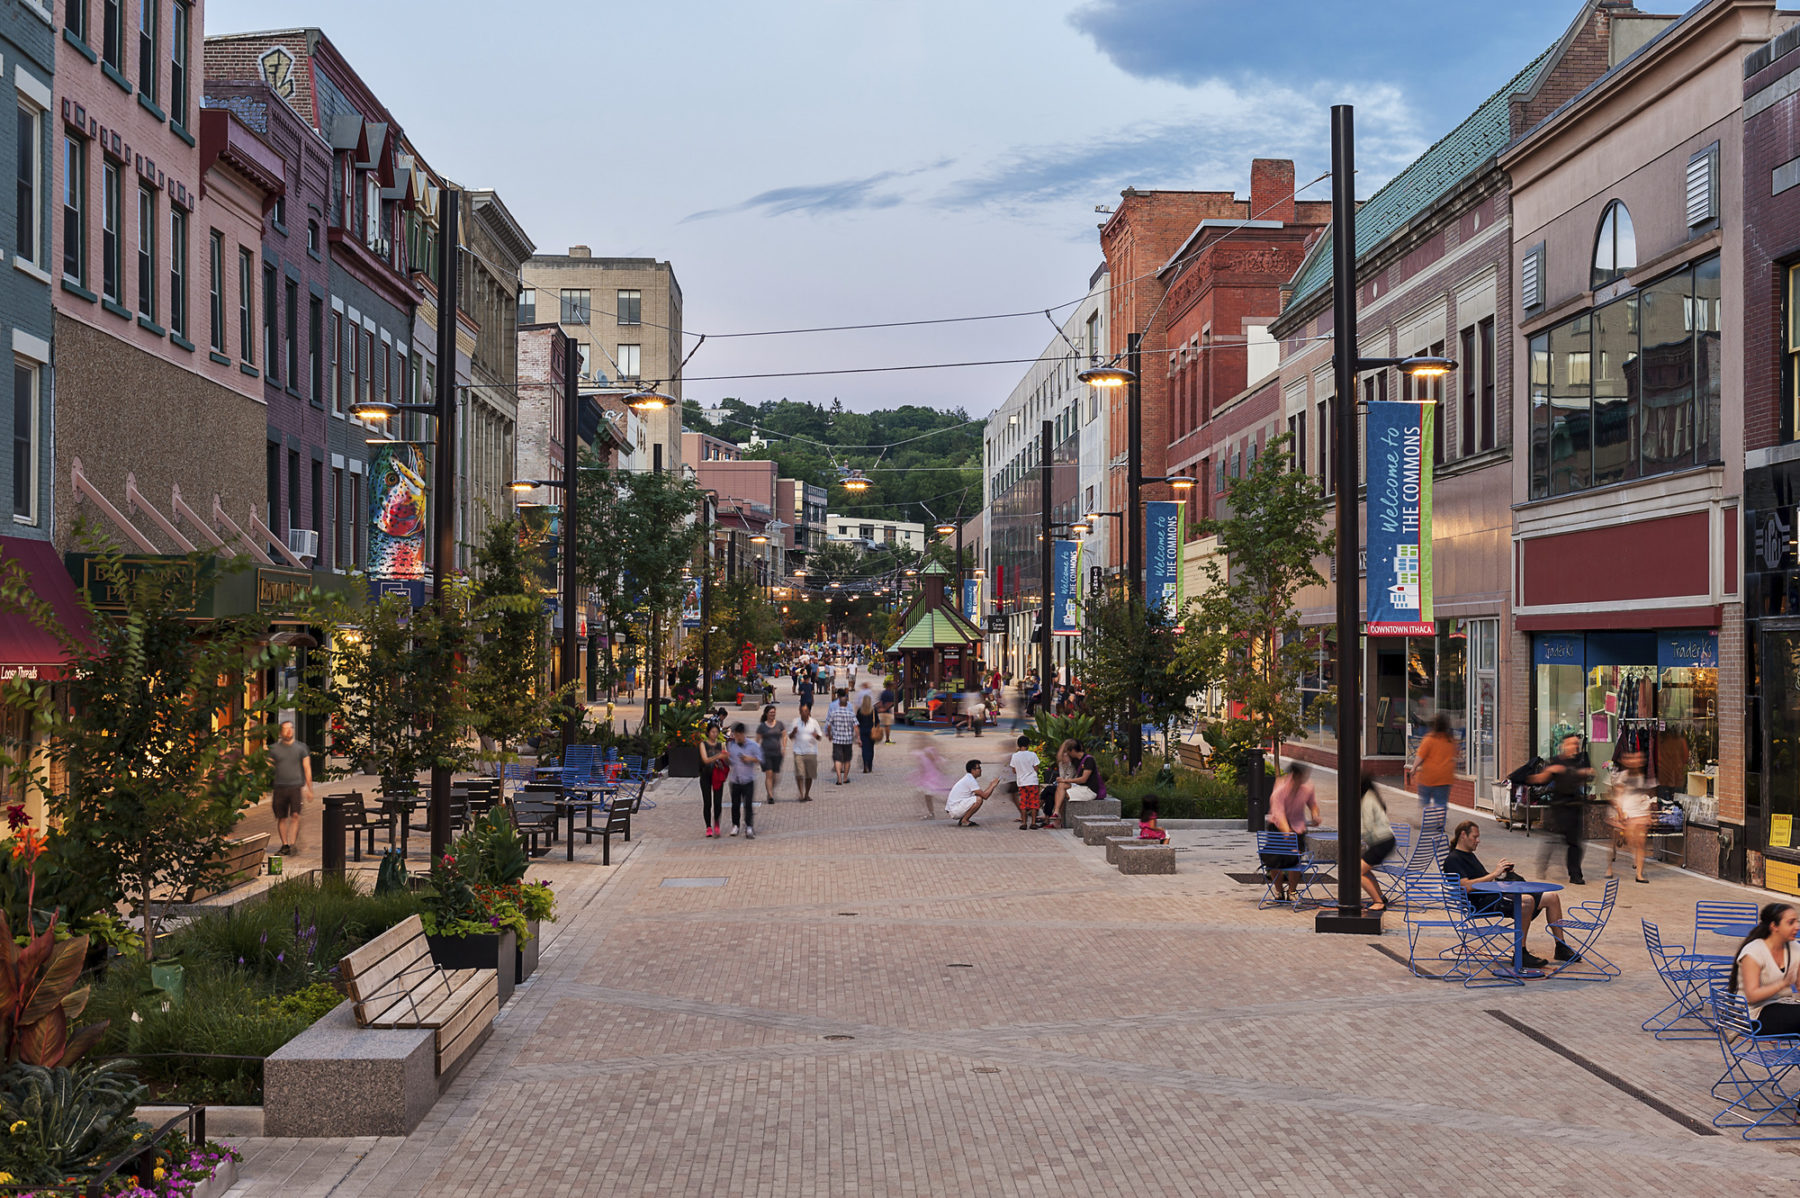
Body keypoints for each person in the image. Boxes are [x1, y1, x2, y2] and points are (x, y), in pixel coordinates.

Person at [1441, 821, 1575, 967]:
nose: (1478, 840)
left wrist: (1502, 875)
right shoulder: (1453, 859)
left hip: (1495, 895)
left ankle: (1561, 947)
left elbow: (1484, 879)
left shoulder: (1469, 855)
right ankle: (1520, 952)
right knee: (1527, 900)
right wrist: (1494, 873)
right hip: (1483, 903)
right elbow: (1466, 887)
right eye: (1475, 837)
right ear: (1463, 835)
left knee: (1552, 897)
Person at [1530, 732, 1593, 886]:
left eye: (1576, 744)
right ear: (1564, 746)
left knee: (1575, 843)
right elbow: (1542, 779)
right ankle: (1543, 863)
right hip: (1559, 806)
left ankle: (1575, 874)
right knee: (1554, 839)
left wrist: (1587, 773)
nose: (1574, 747)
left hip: (1575, 805)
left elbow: (1590, 775)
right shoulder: (1556, 761)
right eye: (1571, 744)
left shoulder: (1581, 760)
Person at [1729, 903, 1800, 1035]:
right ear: (1774, 926)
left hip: (1783, 1005)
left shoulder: (1795, 948)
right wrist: (1782, 984)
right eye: (1791, 923)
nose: (1797, 926)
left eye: (1797, 921)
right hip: (1753, 1015)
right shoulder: (1753, 952)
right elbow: (1752, 996)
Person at [1261, 762, 1319, 902]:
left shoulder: (1307, 787)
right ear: (1293, 776)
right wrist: (1286, 831)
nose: (1303, 780)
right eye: (1300, 777)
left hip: (1298, 827)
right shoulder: (1280, 788)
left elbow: (1312, 804)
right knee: (1274, 861)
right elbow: (1278, 812)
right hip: (1278, 827)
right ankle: (1279, 891)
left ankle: (1292, 891)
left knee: (1295, 860)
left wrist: (1315, 815)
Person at [1606, 747, 1655, 885]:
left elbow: (1646, 796)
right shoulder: (1622, 777)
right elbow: (1617, 797)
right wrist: (1620, 813)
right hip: (1626, 814)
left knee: (1640, 844)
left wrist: (1648, 813)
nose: (1636, 761)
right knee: (1617, 842)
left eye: (1639, 759)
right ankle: (1609, 867)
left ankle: (1639, 874)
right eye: (1633, 758)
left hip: (1639, 813)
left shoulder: (1643, 777)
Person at [269, 720, 313, 856]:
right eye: (285, 729)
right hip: (279, 787)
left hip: (295, 787)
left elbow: (307, 768)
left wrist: (309, 788)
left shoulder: (301, 748)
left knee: (295, 815)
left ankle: (293, 844)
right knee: (281, 817)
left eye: (290, 728)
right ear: (280, 732)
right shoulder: (274, 749)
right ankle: (285, 845)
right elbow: (268, 767)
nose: (288, 731)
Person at [1047, 739, 1103, 829]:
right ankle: (1056, 813)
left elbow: (1083, 779)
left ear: (1072, 751)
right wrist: (1066, 743)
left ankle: (1057, 820)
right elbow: (1060, 757)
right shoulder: (1076, 760)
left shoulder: (1089, 760)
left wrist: (1066, 781)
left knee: (1061, 794)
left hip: (1089, 790)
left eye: (1068, 752)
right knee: (1060, 786)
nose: (1067, 754)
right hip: (1080, 787)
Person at [1359, 777, 1396, 912]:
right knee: (1364, 869)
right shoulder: (1371, 795)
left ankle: (1378, 902)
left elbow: (1366, 825)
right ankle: (1380, 897)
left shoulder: (1367, 799)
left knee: (1356, 872)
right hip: (1384, 841)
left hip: (1382, 841)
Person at [1409, 713, 1457, 809]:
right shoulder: (1450, 741)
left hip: (1428, 777)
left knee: (1424, 802)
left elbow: (1420, 757)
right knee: (1441, 803)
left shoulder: (1429, 739)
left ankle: (1424, 819)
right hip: (1445, 778)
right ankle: (1440, 821)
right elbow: (1455, 756)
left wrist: (1413, 768)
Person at [725, 723, 763, 839]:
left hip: (748, 779)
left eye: (738, 735)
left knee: (748, 804)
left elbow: (760, 759)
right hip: (735, 779)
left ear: (742, 734)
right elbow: (730, 762)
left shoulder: (753, 745)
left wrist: (749, 759)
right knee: (735, 804)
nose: (737, 737)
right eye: (735, 735)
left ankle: (749, 826)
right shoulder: (732, 745)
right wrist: (726, 758)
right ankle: (735, 825)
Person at [698, 721, 728, 837]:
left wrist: (725, 759)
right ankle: (708, 826)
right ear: (708, 732)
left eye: (716, 732)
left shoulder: (721, 745)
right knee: (707, 802)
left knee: (717, 801)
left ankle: (716, 823)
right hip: (705, 775)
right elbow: (705, 760)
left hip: (717, 775)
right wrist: (717, 756)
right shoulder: (703, 744)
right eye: (712, 732)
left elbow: (725, 760)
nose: (715, 734)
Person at [946, 759, 997, 826]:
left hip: (954, 809)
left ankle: (964, 819)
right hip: (955, 810)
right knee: (978, 800)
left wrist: (991, 785)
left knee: (978, 798)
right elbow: (985, 796)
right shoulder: (970, 780)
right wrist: (992, 785)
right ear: (972, 770)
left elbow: (982, 794)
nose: (981, 770)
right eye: (978, 768)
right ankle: (964, 820)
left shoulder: (968, 778)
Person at [789, 702, 823, 802]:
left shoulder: (814, 722)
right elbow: (790, 737)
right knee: (799, 773)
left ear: (809, 712)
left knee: (809, 775)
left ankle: (807, 793)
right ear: (799, 712)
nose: (803, 713)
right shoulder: (795, 722)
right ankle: (800, 793)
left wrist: (816, 736)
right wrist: (793, 732)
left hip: (811, 751)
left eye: (805, 711)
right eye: (802, 711)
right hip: (798, 751)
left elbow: (820, 737)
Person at [913, 739, 951, 820]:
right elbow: (924, 765)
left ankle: (948, 806)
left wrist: (939, 771)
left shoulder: (927, 751)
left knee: (932, 796)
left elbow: (933, 761)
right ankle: (931, 812)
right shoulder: (922, 752)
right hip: (927, 778)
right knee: (928, 796)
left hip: (931, 778)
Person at [1010, 735, 1042, 829]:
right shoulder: (1033, 755)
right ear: (1028, 744)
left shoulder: (1015, 756)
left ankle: (1024, 823)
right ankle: (1033, 823)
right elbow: (1036, 768)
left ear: (1018, 745)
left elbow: (1014, 770)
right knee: (1034, 803)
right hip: (1032, 782)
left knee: (1023, 803)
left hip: (1021, 783)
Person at [826, 688, 858, 784]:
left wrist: (829, 734)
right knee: (847, 758)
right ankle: (845, 777)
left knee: (837, 758)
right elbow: (856, 726)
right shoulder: (850, 710)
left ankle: (839, 778)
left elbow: (828, 723)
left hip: (837, 738)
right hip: (848, 738)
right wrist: (857, 737)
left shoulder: (833, 709)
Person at [757, 705, 787, 803]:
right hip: (765, 753)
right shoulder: (762, 726)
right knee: (768, 774)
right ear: (766, 714)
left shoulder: (779, 724)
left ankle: (771, 790)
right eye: (770, 712)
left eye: (774, 712)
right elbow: (757, 740)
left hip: (777, 753)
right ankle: (770, 795)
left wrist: (784, 747)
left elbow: (784, 735)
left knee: (775, 776)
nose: (772, 714)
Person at [855, 693, 877, 773]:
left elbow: (857, 722)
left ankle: (865, 765)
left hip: (862, 731)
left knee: (864, 749)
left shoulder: (860, 710)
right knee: (871, 748)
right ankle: (870, 765)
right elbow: (877, 721)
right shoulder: (873, 710)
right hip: (872, 731)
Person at [876, 678, 898, 743]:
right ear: (890, 686)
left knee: (878, 725)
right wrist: (885, 709)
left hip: (881, 711)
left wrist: (879, 708)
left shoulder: (883, 693)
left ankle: (876, 738)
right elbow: (891, 703)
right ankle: (887, 739)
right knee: (887, 726)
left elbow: (880, 702)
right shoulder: (891, 693)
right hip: (887, 712)